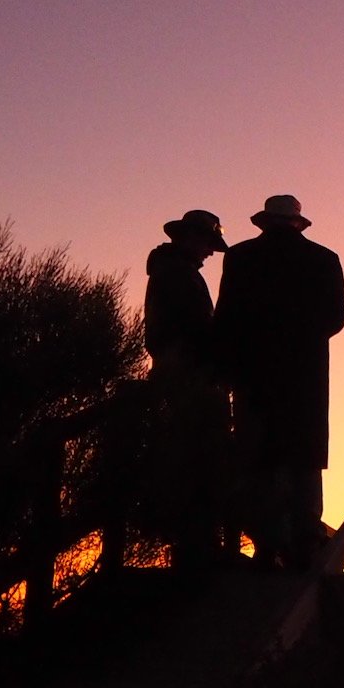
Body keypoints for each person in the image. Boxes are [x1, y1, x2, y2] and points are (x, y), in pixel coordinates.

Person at [214, 194, 344, 567]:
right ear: (297, 223)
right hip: (305, 378)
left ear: (265, 222)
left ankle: (268, 545)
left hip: (253, 376)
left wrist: (225, 368)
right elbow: (337, 316)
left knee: (259, 457)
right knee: (304, 457)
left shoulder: (240, 258)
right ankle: (304, 542)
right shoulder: (323, 259)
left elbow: (226, 318)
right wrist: (303, 340)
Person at [141, 209, 231, 570]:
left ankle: (194, 545)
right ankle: (196, 549)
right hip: (189, 381)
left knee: (186, 460)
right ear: (190, 238)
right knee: (197, 459)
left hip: (180, 376)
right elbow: (194, 330)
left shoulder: (171, 271)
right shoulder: (179, 276)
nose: (209, 252)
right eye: (207, 243)